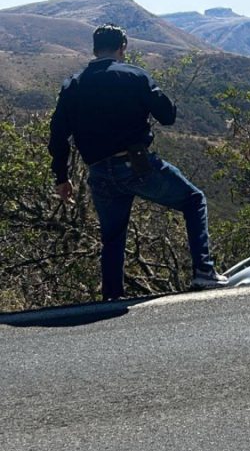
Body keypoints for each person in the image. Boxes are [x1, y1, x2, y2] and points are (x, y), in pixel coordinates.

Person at [48, 23, 228, 300]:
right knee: (193, 200)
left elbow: (58, 134)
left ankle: (111, 296)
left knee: (113, 235)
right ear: (123, 48)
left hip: (98, 171)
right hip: (137, 164)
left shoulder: (73, 84)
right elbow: (167, 116)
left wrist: (61, 177)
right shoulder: (134, 76)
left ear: (95, 49)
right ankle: (204, 272)